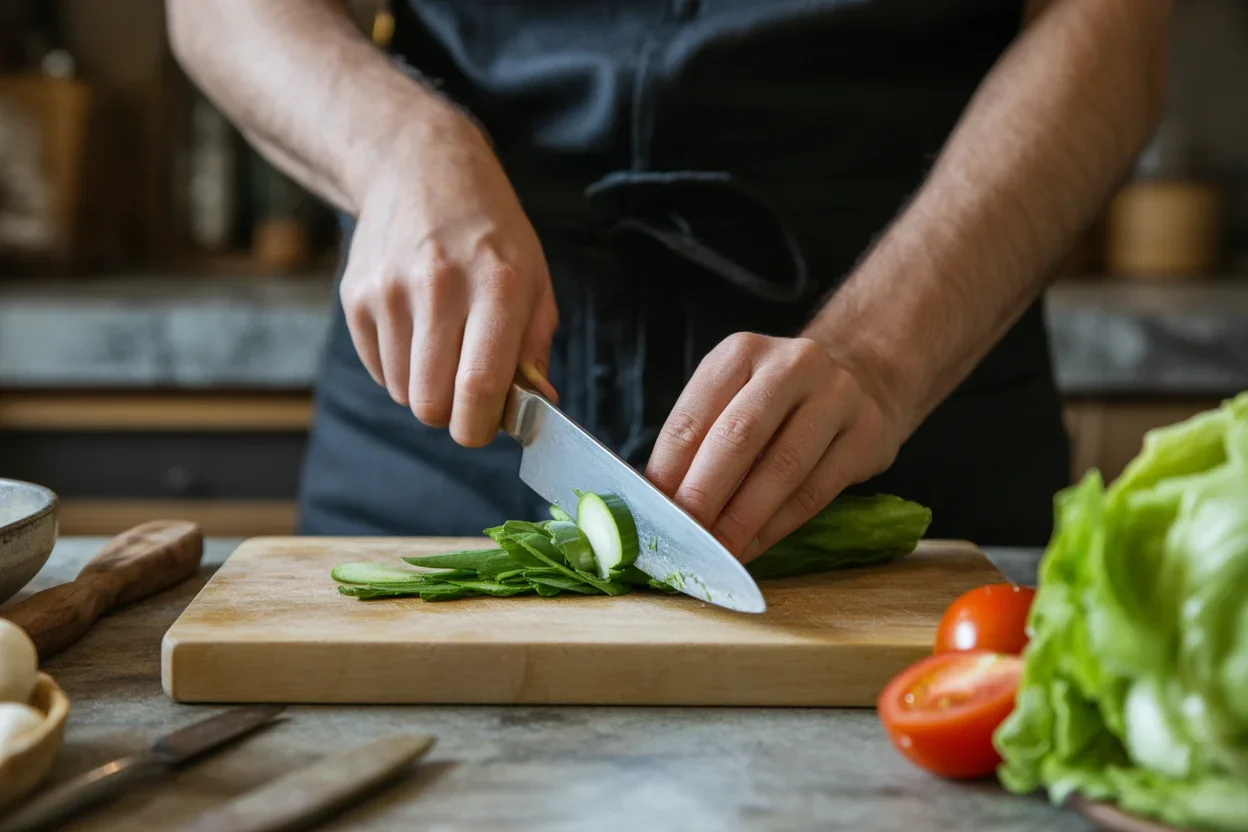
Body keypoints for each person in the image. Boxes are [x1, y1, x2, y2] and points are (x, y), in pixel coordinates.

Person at [167, 0, 1171, 555]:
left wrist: (880, 354)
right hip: (443, 406)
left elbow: (1112, 26)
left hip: (917, 390)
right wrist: (397, 146)